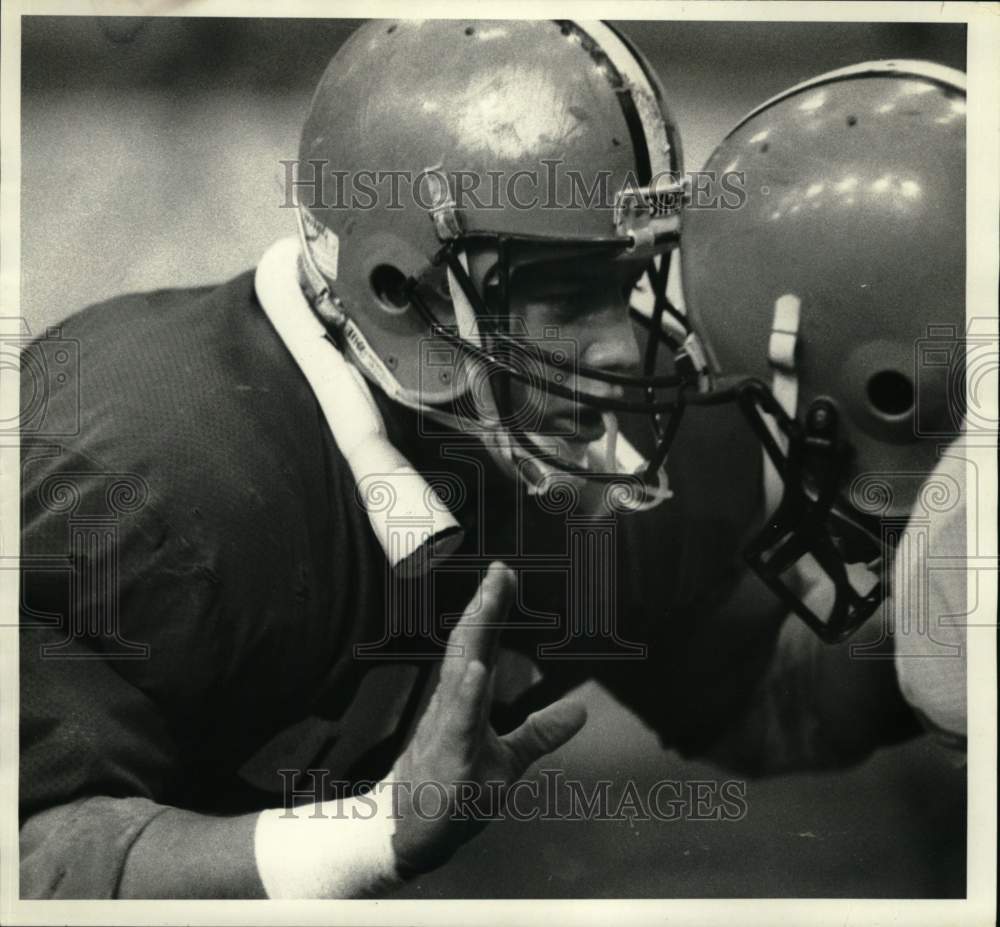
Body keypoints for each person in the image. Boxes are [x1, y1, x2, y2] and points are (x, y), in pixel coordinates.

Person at [18, 21, 962, 899]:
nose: (622, 353)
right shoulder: (138, 477)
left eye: (627, 287)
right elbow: (32, 853)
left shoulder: (601, 430)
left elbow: (771, 698)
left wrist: (943, 619)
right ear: (396, 288)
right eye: (562, 295)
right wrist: (375, 830)